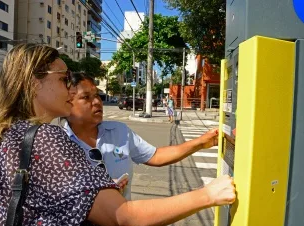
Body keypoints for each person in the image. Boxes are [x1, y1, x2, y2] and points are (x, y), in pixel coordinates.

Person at [0, 43, 235, 226]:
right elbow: (123, 217)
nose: (70, 91)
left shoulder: (4, 134)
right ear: (34, 83)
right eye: (64, 79)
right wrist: (209, 194)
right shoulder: (46, 139)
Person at [61, 74, 222, 202]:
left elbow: (156, 156)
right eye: (86, 97)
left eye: (97, 95)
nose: (97, 102)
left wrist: (201, 142)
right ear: (66, 104)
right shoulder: (56, 144)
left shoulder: (119, 131)